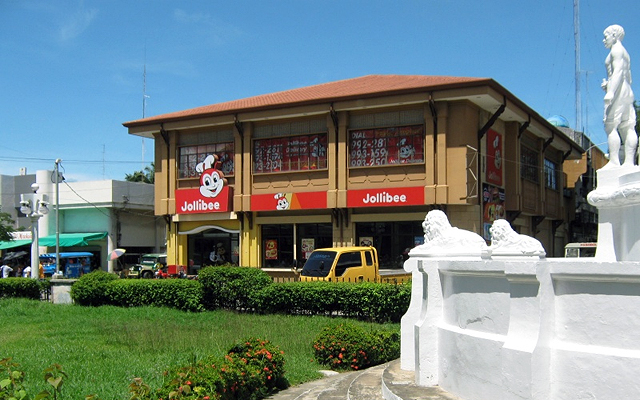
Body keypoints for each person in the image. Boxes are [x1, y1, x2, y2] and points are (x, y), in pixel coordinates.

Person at [601, 24, 638, 168]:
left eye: (606, 37)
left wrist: (610, 91)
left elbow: (617, 72)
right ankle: (629, 162)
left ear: (614, 35)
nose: (604, 40)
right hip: (627, 90)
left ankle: (614, 161)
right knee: (628, 126)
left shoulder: (616, 51)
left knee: (610, 126)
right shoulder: (625, 53)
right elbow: (628, 77)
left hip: (618, 91)